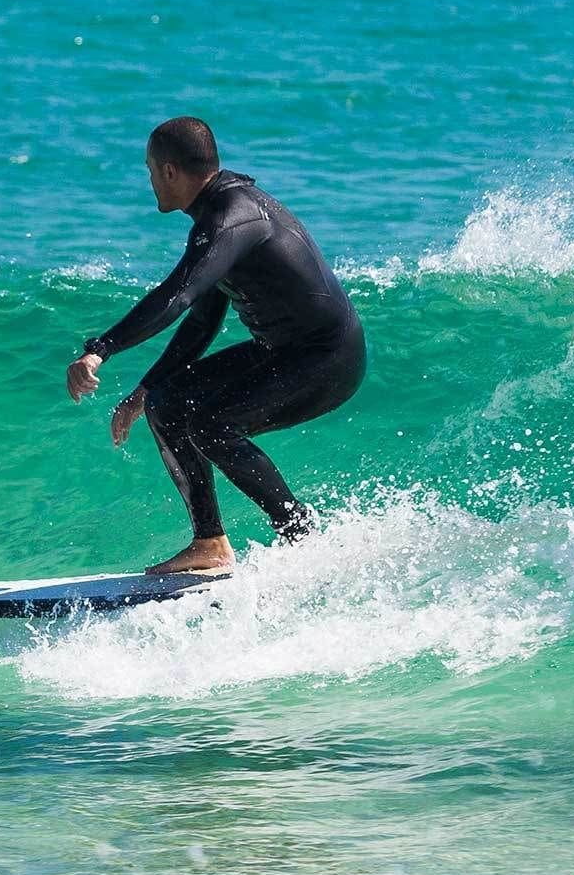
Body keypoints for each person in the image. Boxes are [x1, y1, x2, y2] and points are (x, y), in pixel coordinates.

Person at [65, 117, 367, 577]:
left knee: (210, 424)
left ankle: (299, 530)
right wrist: (148, 386)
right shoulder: (218, 216)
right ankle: (210, 544)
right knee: (169, 402)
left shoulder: (233, 217)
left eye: (149, 170)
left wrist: (100, 349)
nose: (149, 182)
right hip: (282, 350)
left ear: (169, 171)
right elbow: (203, 317)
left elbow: (177, 294)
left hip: (326, 357)